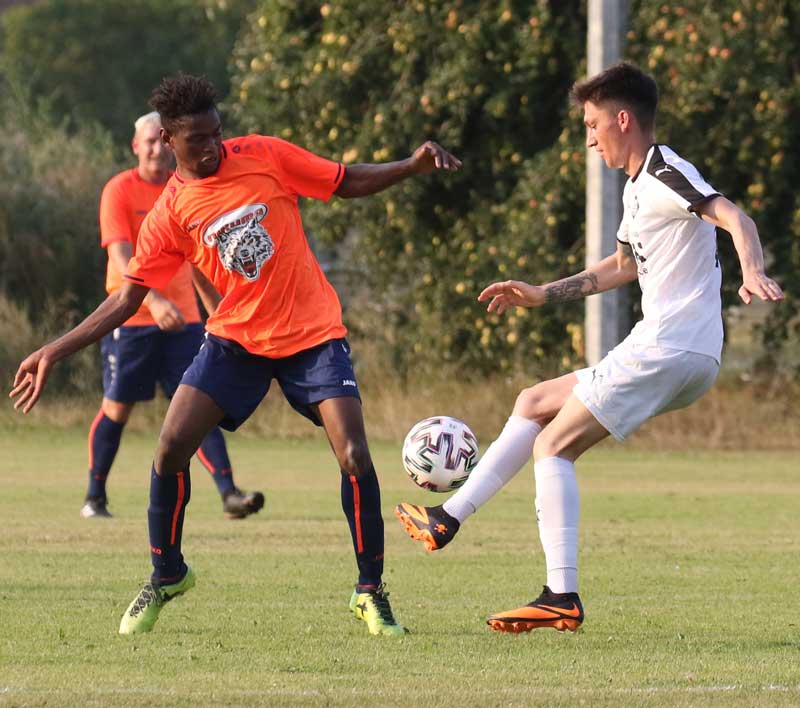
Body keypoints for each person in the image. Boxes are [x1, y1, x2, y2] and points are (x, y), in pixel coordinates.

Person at [11, 73, 461, 637]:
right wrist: (53, 350)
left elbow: (343, 181)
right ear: (169, 140)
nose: (212, 146)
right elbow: (127, 298)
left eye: (216, 133)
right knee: (170, 447)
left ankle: (370, 592)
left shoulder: (264, 155)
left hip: (312, 333)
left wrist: (410, 166)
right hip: (237, 341)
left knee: (353, 454)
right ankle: (168, 574)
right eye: (197, 139)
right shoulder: (170, 212)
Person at [395, 62, 783, 634]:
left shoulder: (665, 171)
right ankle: (446, 518)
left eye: (593, 124)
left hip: (669, 346)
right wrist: (541, 293)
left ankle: (561, 594)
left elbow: (733, 216)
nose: (590, 138)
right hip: (678, 349)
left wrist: (752, 271)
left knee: (552, 447)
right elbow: (623, 265)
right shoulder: (637, 187)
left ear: (623, 120)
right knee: (533, 402)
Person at [83, 111, 264, 521]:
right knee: (117, 408)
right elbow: (121, 259)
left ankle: (229, 494)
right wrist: (154, 302)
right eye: (146, 141)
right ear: (136, 146)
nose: (154, 149)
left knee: (202, 403)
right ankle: (94, 497)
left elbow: (200, 257)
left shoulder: (183, 188)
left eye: (158, 141)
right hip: (132, 321)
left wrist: (217, 309)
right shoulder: (119, 190)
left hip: (184, 321)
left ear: (169, 144)